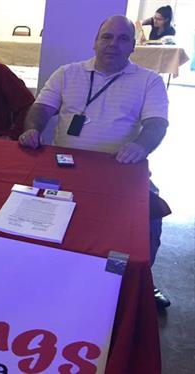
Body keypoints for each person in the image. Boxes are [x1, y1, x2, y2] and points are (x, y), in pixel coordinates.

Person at [18, 15, 172, 308]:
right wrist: (32, 128)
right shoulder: (67, 73)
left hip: (121, 171)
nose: (113, 44)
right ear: (95, 42)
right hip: (66, 169)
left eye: (123, 38)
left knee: (151, 215)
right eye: (107, 37)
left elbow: (157, 124)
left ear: (132, 46)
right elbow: (41, 107)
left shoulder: (148, 81)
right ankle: (42, 278)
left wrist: (140, 147)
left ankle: (141, 284)